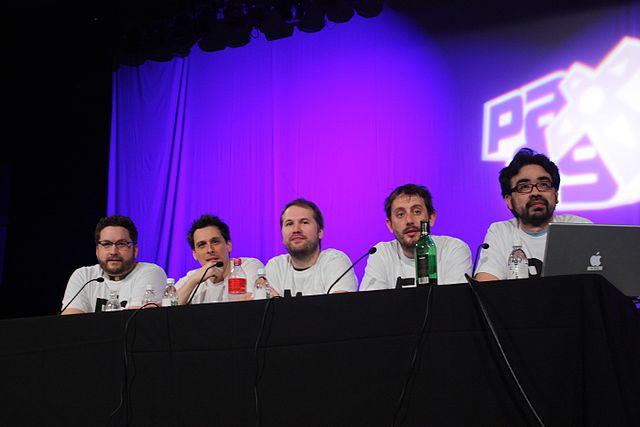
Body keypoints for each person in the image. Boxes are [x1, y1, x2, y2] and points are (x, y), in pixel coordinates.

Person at [475, 148, 591, 281]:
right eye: (524, 187)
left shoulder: (579, 228)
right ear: (509, 201)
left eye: (543, 184)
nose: (535, 193)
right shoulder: (501, 232)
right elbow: (486, 285)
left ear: (556, 194)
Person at [360, 184, 472, 291]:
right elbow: (371, 307)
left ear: (431, 218)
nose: (409, 220)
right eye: (400, 214)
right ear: (390, 225)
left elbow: (455, 304)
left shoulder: (453, 249)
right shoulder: (381, 253)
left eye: (417, 212)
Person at [61, 214, 167, 314]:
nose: (113, 252)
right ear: (97, 251)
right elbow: (69, 324)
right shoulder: (84, 276)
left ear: (135, 250)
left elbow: (135, 322)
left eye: (121, 244)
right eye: (106, 244)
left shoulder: (150, 272)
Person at [266, 198, 358, 296]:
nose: (296, 229)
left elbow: (339, 308)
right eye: (289, 224)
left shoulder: (334, 261)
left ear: (320, 232)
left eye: (304, 222)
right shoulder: (275, 267)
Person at [176, 214, 264, 304]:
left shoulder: (248, 267)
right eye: (202, 245)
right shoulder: (192, 278)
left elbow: (254, 306)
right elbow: (167, 311)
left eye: (215, 242)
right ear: (194, 254)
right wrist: (193, 281)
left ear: (228, 245)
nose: (209, 250)